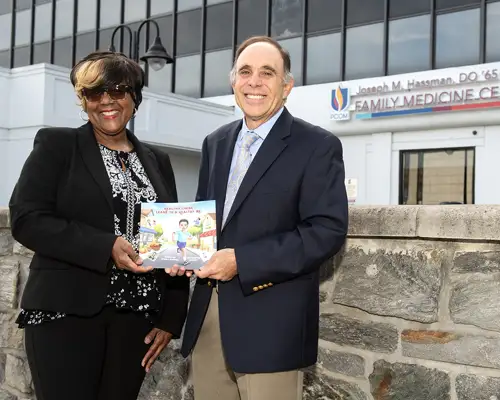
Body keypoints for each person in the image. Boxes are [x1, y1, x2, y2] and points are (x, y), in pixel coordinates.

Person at [166, 36, 349, 400]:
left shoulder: (317, 146)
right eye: (245, 72)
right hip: (209, 319)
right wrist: (182, 256)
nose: (255, 82)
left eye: (268, 73)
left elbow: (326, 231)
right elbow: (208, 221)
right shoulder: (215, 142)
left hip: (271, 324)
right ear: (233, 82)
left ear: (287, 86)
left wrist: (242, 262)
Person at [9, 51, 190, 400]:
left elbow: (171, 241)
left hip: (137, 319)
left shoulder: (158, 160)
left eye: (119, 90)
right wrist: (105, 246)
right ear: (83, 100)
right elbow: (26, 218)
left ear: (134, 98)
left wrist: (170, 317)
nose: (106, 100)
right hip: (65, 313)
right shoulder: (58, 145)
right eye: (94, 92)